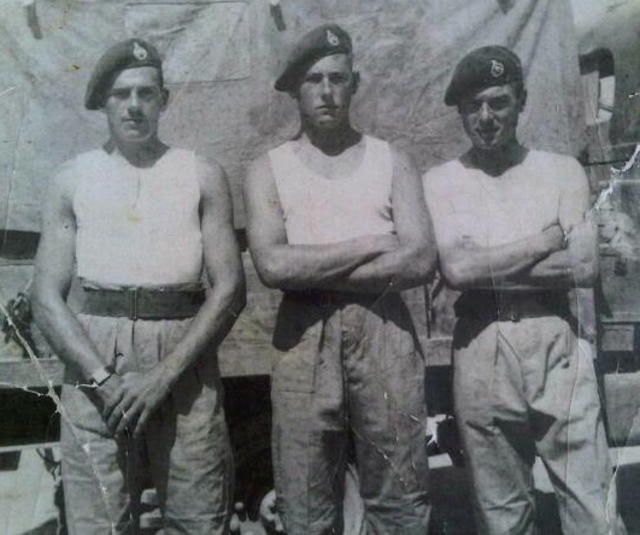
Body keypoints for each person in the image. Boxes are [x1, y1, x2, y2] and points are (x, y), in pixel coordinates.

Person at [31, 39, 245, 534]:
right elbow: (46, 295)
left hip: (182, 354)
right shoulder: (72, 179)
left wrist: (165, 373)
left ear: (164, 100)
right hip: (94, 356)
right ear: (103, 103)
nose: (133, 106)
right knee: (98, 520)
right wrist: (101, 379)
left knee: (199, 517)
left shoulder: (201, 174)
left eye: (146, 93)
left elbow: (231, 288)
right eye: (121, 94)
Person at [423, 45, 625, 534]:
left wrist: (486, 260)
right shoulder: (443, 180)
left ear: (521, 101)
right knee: (503, 515)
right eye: (474, 107)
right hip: (482, 344)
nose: (487, 117)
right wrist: (544, 239)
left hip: (555, 338)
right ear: (461, 113)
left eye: (499, 102)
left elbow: (581, 266)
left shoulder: (560, 171)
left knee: (593, 508)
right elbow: (456, 271)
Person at [243, 23, 436, 535]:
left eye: (337, 78)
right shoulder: (268, 169)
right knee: (306, 500)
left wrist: (313, 266)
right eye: (313, 80)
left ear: (355, 83)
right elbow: (274, 267)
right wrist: (372, 243)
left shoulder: (393, 160)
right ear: (294, 91)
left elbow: (419, 261)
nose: (326, 92)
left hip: (385, 334)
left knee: (399, 495)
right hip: (304, 338)